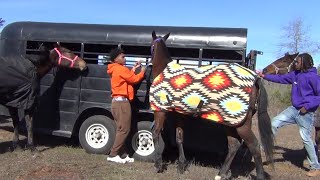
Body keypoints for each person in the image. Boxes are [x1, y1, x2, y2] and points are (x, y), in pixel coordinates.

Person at [257, 53, 320, 177]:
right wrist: (264, 76)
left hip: (306, 113)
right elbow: (281, 79)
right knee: (274, 123)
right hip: (293, 110)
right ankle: (259, 148)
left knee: (306, 138)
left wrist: (307, 107)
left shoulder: (314, 78)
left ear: (304, 63)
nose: (295, 63)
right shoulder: (295, 75)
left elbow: (319, 96)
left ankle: (315, 167)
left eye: (297, 62)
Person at [106, 48, 146, 163]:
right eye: (122, 57)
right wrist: (142, 71)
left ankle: (123, 154)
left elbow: (127, 78)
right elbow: (133, 79)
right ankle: (113, 155)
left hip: (117, 102)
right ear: (116, 59)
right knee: (124, 129)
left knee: (121, 129)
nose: (125, 58)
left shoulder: (115, 69)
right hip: (122, 103)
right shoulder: (120, 69)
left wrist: (134, 68)